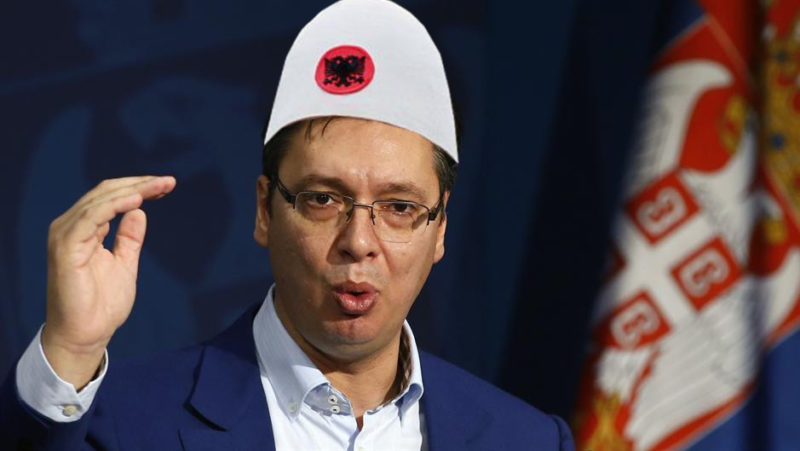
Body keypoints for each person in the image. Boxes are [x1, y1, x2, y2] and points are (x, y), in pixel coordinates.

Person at [2, 0, 575, 449]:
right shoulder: (122, 421)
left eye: (399, 207)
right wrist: (70, 349)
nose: (359, 242)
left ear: (440, 228)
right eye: (323, 199)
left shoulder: (526, 439)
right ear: (264, 210)